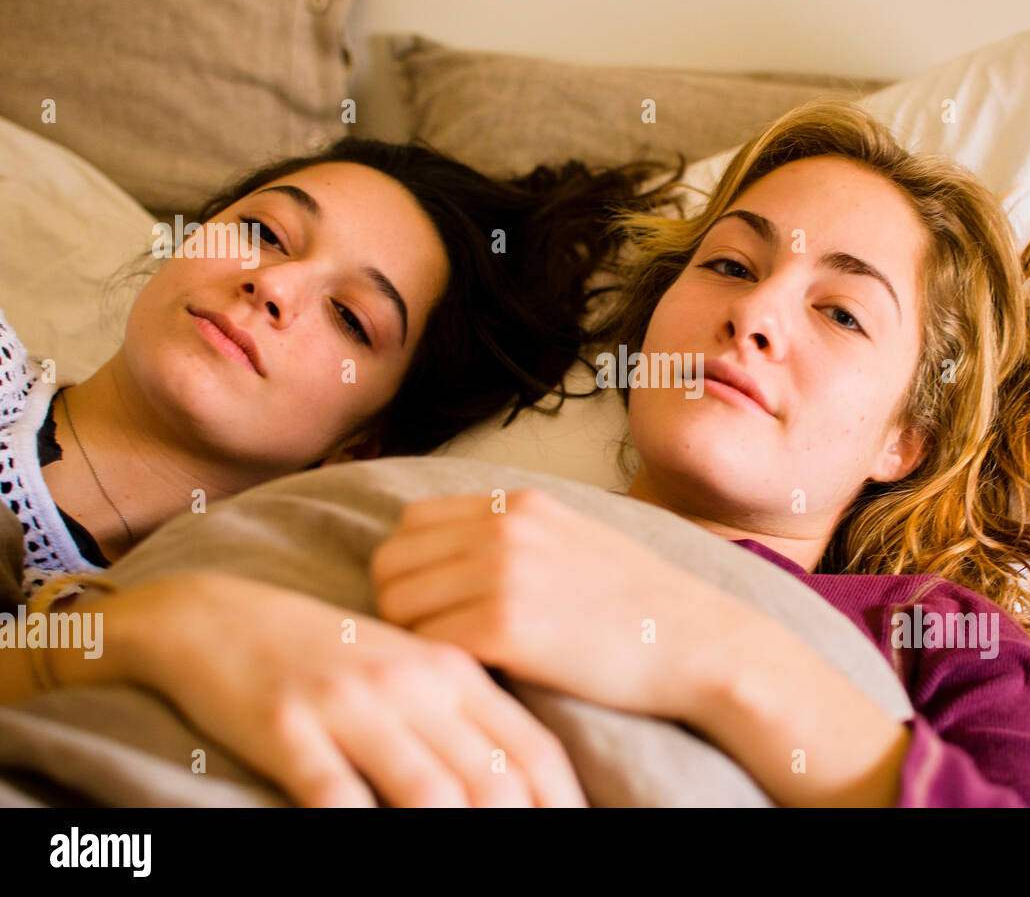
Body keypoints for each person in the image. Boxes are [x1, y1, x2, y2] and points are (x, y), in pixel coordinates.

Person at [366, 100, 1030, 806]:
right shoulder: (462, 507)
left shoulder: (937, 639)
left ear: (905, 439)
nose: (754, 308)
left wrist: (712, 648)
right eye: (728, 264)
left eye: (841, 312)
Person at [0, 136, 677, 807]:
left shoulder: (275, 644)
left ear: (360, 443)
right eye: (264, 232)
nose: (273, 283)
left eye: (350, 316)